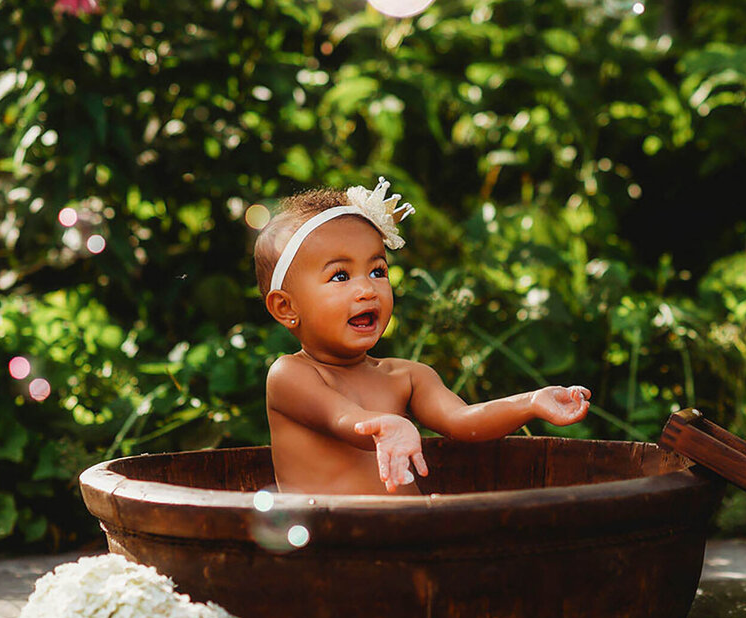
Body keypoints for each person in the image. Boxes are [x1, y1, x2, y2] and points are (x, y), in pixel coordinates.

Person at [253, 178, 591, 494]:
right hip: (329, 543)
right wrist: (386, 425)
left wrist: (530, 402)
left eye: (377, 270)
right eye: (340, 276)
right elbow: (343, 419)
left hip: (407, 532)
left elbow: (463, 422)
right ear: (286, 308)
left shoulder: (407, 377)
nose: (367, 289)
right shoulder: (291, 375)